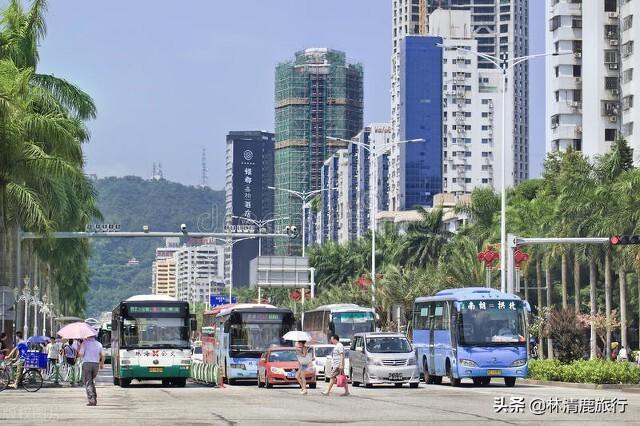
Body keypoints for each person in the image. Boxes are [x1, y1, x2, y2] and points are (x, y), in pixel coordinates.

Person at [78, 335, 105, 406]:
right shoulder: (99, 344)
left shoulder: (84, 343)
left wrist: (80, 349)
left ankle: (92, 400)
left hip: (87, 364)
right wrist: (102, 364)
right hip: (96, 365)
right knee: (91, 381)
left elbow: (81, 354)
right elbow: (103, 355)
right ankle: (94, 397)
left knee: (88, 382)